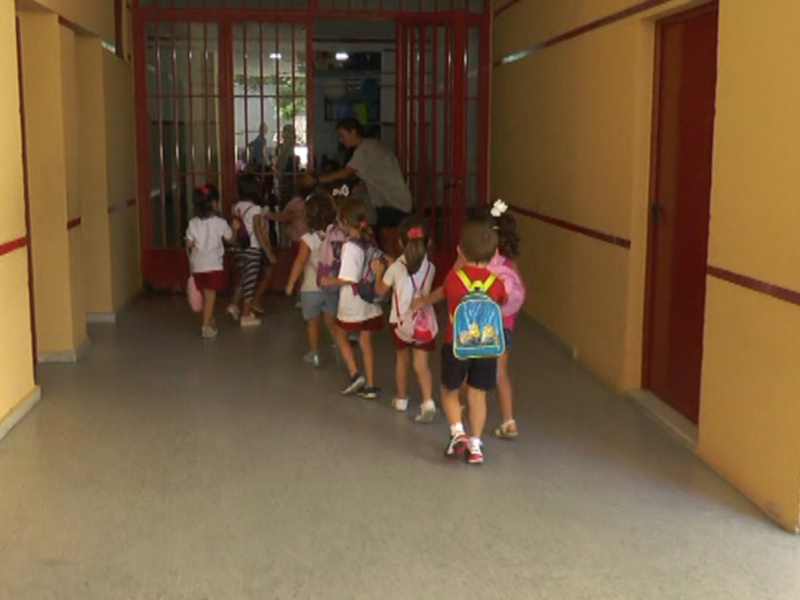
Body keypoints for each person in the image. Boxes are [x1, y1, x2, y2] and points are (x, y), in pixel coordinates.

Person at [415, 219, 507, 464]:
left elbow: (441, 293)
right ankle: (476, 446)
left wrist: (422, 301)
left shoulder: (455, 280)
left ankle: (458, 433)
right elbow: (503, 301)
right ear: (494, 254)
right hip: (486, 348)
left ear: (460, 251)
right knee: (478, 396)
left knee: (450, 391)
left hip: (457, 346)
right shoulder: (496, 283)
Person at [373, 216, 437, 422]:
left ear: (400, 242)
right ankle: (427, 402)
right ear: (428, 242)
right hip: (423, 323)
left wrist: (378, 273)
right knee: (422, 364)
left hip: (400, 323)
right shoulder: (431, 267)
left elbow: (380, 290)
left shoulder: (395, 269)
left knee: (402, 360)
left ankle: (401, 399)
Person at [320, 196, 384, 399]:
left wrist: (328, 281)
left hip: (353, 302)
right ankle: (371, 385)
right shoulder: (369, 241)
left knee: (340, 334)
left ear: (346, 223)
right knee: (366, 342)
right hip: (370, 301)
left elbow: (348, 278)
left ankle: (355, 374)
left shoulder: (350, 247)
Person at [314, 118, 412, 248]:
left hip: (393, 204)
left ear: (353, 132)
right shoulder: (372, 146)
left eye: (342, 135)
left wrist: (317, 180)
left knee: (387, 244)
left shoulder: (365, 150)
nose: (341, 140)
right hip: (395, 202)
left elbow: (346, 172)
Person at [483, 199, 525, 439]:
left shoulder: (481, 261)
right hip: (505, 325)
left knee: (473, 370)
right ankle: (509, 421)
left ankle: (461, 408)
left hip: (481, 326)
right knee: (501, 373)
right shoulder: (510, 264)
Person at [285, 192, 341, 367]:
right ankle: (340, 345)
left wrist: (291, 283)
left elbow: (300, 262)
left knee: (312, 321)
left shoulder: (308, 239)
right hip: (332, 284)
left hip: (311, 286)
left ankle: (314, 354)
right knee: (331, 319)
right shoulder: (337, 236)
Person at [185, 185, 234, 338]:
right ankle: (206, 327)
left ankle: (209, 319)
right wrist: (236, 229)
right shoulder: (220, 223)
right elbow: (230, 238)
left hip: (198, 265)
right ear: (214, 203)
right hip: (213, 266)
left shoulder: (193, 223)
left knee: (204, 295)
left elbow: (189, 243)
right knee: (210, 297)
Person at [228, 173, 275, 327]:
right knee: (250, 281)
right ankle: (246, 314)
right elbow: (258, 231)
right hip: (253, 249)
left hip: (240, 248)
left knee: (242, 278)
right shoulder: (255, 209)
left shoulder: (235, 207)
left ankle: (234, 305)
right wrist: (268, 252)